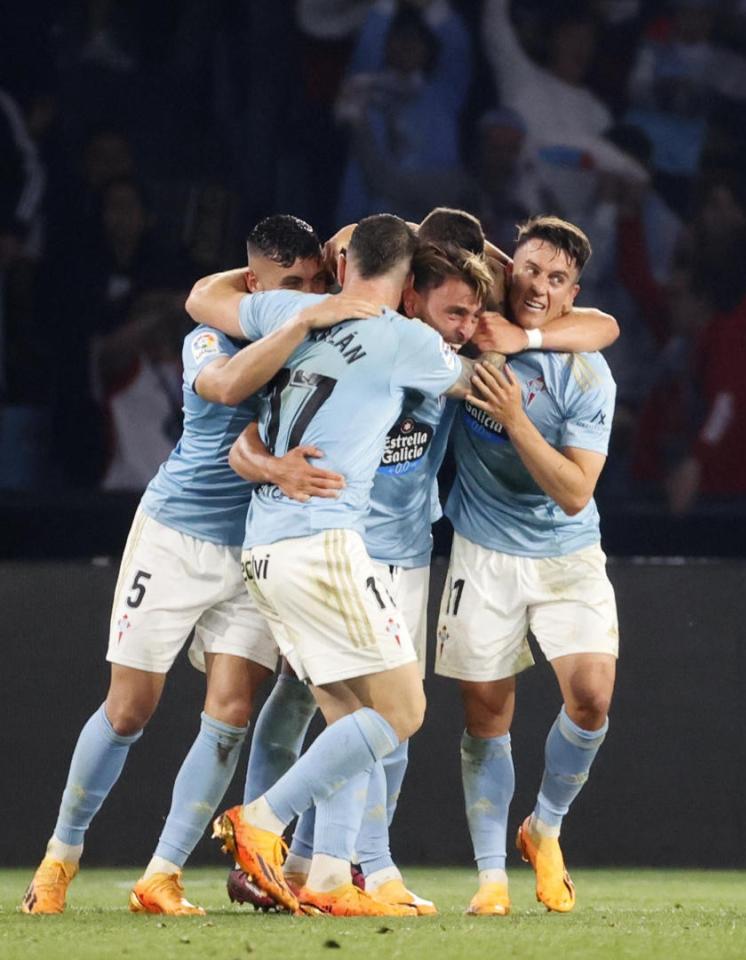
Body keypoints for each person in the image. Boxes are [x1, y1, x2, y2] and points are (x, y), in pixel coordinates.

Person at [19, 215, 345, 915]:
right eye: (289, 286)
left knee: (228, 713)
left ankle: (162, 875)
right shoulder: (214, 334)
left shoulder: (323, 343)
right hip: (175, 534)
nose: (304, 298)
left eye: (314, 285)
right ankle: (59, 858)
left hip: (256, 543)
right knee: (131, 707)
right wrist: (293, 320)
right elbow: (224, 390)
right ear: (254, 285)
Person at [194, 214, 482, 917]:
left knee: (345, 714)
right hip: (324, 544)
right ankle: (261, 817)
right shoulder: (406, 339)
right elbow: (473, 376)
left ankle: (326, 879)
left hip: (265, 545)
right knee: (403, 708)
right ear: (411, 282)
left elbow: (204, 297)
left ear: (343, 260)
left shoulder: (292, 307)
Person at [434, 216, 620, 917]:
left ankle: (544, 826)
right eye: (532, 269)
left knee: (592, 698)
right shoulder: (471, 326)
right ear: (510, 266)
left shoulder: (585, 374)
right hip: (481, 547)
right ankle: (489, 877)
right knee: (486, 713)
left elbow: (575, 493)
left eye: (557, 278)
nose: (540, 286)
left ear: (572, 295)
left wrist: (515, 418)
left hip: (565, 553)